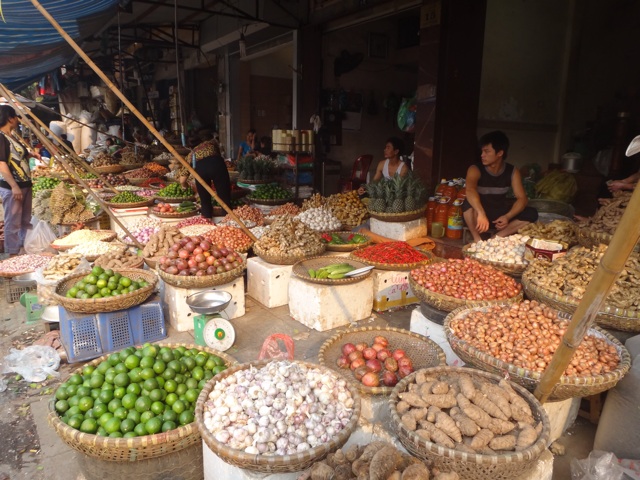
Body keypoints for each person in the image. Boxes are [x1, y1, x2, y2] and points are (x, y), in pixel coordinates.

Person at [463, 130, 538, 243]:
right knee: (467, 204)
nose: (482, 155)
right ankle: (477, 239)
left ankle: (494, 240)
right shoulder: (475, 169)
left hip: (499, 213)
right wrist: (481, 213)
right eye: (482, 151)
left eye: (487, 151)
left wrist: (507, 216)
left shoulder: (512, 171)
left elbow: (522, 198)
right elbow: (470, 190)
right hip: (479, 213)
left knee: (531, 213)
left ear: (500, 153)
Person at [0, 106, 35, 256]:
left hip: (25, 184)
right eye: (15, 117)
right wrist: (14, 186)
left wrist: (31, 154)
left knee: (25, 221)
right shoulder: (1, 137)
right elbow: (1, 164)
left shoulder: (11, 136)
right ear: (10, 118)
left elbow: (16, 155)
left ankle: (24, 250)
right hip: (13, 187)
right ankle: (13, 255)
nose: (17, 120)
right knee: (13, 222)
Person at [179, 135, 231, 219]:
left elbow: (182, 180)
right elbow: (219, 154)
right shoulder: (211, 143)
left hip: (202, 170)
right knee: (224, 198)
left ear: (190, 147)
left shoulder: (191, 154)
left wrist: (185, 186)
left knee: (205, 201)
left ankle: (207, 221)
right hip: (218, 165)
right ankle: (228, 222)